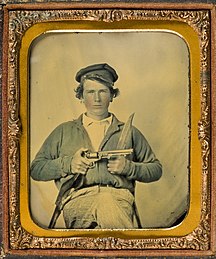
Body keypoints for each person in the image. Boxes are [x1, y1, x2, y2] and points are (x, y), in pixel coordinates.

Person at [30, 63, 162, 229]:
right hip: (77, 199)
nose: (97, 99)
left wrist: (129, 168)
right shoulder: (63, 131)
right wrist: (69, 164)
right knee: (107, 209)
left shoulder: (129, 133)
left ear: (112, 95)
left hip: (119, 198)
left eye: (103, 91)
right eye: (90, 92)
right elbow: (36, 169)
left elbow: (156, 169)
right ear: (81, 96)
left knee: (107, 203)